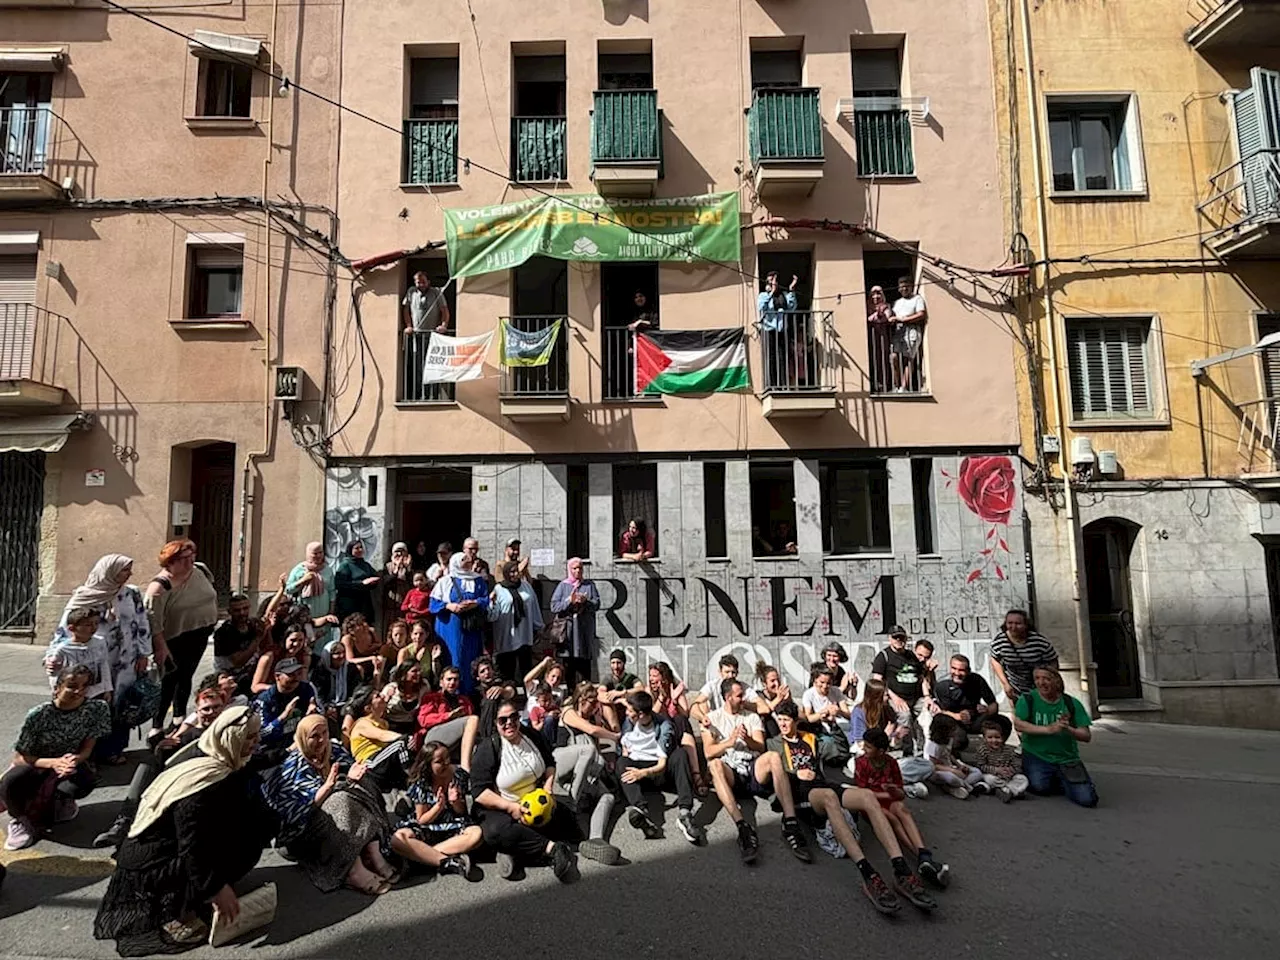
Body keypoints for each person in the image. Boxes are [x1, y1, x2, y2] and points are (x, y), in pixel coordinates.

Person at [93, 706, 275, 954]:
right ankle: (183, 911)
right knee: (241, 844)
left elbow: (255, 763)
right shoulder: (205, 784)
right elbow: (193, 845)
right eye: (249, 737)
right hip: (150, 866)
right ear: (232, 739)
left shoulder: (213, 758)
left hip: (162, 852)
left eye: (257, 736)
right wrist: (216, 888)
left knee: (253, 827)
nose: (255, 742)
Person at [767, 701, 935, 914]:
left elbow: (839, 751)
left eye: (786, 720)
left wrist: (834, 726)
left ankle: (900, 868)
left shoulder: (809, 739)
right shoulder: (773, 743)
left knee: (866, 796)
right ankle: (868, 873)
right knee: (830, 798)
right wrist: (794, 773)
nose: (781, 724)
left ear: (795, 721)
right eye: (779, 720)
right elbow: (776, 776)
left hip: (822, 783)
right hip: (802, 793)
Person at [263, 715, 396, 895]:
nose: (321, 740)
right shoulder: (291, 767)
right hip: (298, 835)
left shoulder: (333, 750)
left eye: (324, 733)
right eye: (314, 736)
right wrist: (329, 787)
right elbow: (297, 812)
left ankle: (374, 853)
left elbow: (350, 769)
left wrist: (352, 775)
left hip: (337, 818)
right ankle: (353, 869)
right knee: (339, 800)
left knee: (363, 785)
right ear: (303, 738)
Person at [93, 676, 227, 850]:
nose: (212, 712)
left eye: (216, 707)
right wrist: (161, 750)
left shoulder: (228, 732)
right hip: (177, 779)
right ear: (198, 710)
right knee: (148, 765)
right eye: (206, 709)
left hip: (208, 782)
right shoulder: (187, 736)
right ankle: (124, 822)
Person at [52, 554, 152, 759]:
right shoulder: (84, 597)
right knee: (90, 705)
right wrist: (54, 657)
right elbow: (64, 631)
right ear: (109, 571)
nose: (129, 574)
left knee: (121, 704)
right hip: (93, 662)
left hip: (126, 662)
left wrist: (143, 653)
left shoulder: (131, 594)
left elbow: (142, 624)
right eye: (125, 570)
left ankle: (113, 750)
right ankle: (85, 753)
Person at [2, 665, 111, 851]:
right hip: (36, 762)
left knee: (86, 779)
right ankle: (21, 819)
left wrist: (74, 759)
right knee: (10, 782)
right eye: (72, 685)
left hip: (68, 761)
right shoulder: (39, 715)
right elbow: (21, 757)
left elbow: (88, 748)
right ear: (57, 688)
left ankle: (61, 801)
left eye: (85, 686)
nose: (79, 691)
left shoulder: (96, 709)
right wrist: (54, 763)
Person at [702, 678, 811, 865]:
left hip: (751, 769)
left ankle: (791, 822)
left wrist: (747, 740)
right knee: (714, 765)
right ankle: (742, 827)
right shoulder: (712, 718)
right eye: (739, 695)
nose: (743, 698)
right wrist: (730, 741)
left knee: (773, 757)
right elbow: (708, 751)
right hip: (731, 773)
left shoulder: (751, 717)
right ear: (728, 698)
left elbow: (760, 747)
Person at [470, 702, 580, 882]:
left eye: (514, 717)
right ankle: (553, 850)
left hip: (535, 802)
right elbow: (479, 792)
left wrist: (547, 788)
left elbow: (550, 763)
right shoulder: (488, 748)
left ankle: (518, 855)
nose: (509, 723)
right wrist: (510, 807)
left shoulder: (532, 735)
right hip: (501, 807)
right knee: (496, 832)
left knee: (570, 824)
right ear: (495, 723)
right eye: (503, 720)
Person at [854, 728, 950, 888]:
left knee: (902, 810)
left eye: (869, 747)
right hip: (870, 804)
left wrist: (894, 791)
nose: (864, 749)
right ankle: (920, 856)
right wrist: (889, 795)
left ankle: (924, 855)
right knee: (892, 819)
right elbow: (864, 794)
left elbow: (900, 794)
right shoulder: (861, 763)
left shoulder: (891, 763)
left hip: (889, 799)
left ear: (881, 751)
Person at [144, 540, 218, 744]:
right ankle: (156, 727)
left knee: (186, 677)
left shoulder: (200, 570)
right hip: (173, 639)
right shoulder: (160, 586)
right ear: (170, 562)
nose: (190, 561)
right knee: (168, 682)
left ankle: (179, 718)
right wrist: (160, 647)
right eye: (184, 559)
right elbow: (153, 620)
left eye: (192, 555)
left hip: (200, 633)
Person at [617, 691, 705, 845]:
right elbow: (625, 747)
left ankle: (685, 814)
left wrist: (642, 773)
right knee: (622, 762)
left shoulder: (664, 726)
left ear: (641, 714)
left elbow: (662, 764)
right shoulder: (629, 721)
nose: (627, 713)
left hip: (658, 770)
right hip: (638, 769)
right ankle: (640, 811)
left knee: (680, 754)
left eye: (630, 711)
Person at [391, 741, 483, 879]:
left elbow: (462, 812)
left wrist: (455, 802)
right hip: (428, 826)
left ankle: (423, 858)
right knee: (398, 839)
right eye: (439, 761)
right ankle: (446, 861)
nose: (446, 763)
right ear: (428, 765)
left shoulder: (458, 775)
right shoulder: (421, 783)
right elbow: (421, 819)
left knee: (476, 834)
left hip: (452, 825)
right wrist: (438, 807)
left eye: (447, 758)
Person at [1014, 666, 1097, 807]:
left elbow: (1086, 736)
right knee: (1039, 787)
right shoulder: (1028, 699)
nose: (1041, 683)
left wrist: (1068, 729)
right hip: (1037, 755)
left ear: (1057, 681)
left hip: (1066, 758)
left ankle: (1067, 781)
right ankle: (1058, 780)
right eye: (1037, 679)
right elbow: (1019, 725)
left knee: (1088, 800)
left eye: (1046, 678)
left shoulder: (1071, 703)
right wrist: (1048, 729)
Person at [430, 553, 489, 693]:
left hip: (471, 627)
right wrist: (450, 606)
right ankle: (452, 692)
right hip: (451, 627)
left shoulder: (478, 580)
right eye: (464, 560)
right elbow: (433, 603)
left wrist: (474, 603)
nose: (468, 562)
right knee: (453, 657)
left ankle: (470, 693)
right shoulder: (445, 581)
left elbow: (486, 599)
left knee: (471, 658)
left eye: (469, 560)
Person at [870, 625, 931, 753]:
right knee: (905, 715)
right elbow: (877, 682)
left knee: (934, 712)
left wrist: (927, 697)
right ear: (890, 639)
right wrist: (894, 697)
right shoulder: (883, 656)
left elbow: (921, 678)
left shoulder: (911, 656)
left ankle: (931, 749)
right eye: (895, 637)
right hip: (895, 697)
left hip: (915, 698)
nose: (899, 640)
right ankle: (907, 750)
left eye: (901, 637)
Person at [929, 653, 1001, 753]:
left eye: (961, 670)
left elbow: (994, 704)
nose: (957, 673)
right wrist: (958, 716)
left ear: (968, 671)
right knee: (959, 739)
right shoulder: (942, 685)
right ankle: (952, 756)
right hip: (953, 720)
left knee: (1003, 722)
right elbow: (941, 711)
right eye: (954, 668)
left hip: (975, 719)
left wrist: (987, 710)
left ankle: (995, 753)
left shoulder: (977, 680)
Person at [416, 666, 482, 771]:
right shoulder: (432, 698)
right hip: (434, 736)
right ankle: (465, 766)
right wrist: (448, 716)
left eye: (455, 679)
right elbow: (424, 720)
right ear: (441, 682)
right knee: (472, 719)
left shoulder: (464, 701)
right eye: (449, 679)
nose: (452, 682)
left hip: (456, 742)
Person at [44, 607, 113, 703]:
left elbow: (104, 665)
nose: (93, 627)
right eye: (88, 625)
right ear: (72, 628)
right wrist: (57, 690)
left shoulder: (100, 642)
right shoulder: (63, 649)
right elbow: (55, 673)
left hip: (96, 691)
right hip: (74, 693)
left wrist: (107, 689)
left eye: (96, 623)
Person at [490, 559, 543, 683]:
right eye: (511, 572)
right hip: (507, 634)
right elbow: (493, 616)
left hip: (524, 633)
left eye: (516, 571)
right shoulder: (499, 589)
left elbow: (534, 606)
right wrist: (491, 603)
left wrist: (538, 626)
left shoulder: (526, 586)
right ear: (506, 573)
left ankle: (527, 697)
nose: (515, 574)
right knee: (507, 671)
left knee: (526, 670)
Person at [991, 609, 1059, 705]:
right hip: (1016, 689)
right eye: (1010, 623)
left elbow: (1053, 660)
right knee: (1020, 717)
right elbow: (995, 660)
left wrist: (1049, 680)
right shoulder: (1000, 642)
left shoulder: (1039, 642)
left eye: (1018, 623)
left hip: (1040, 687)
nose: (1013, 627)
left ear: (1026, 625)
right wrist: (1005, 683)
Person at [549, 559, 600, 687]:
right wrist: (568, 601)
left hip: (583, 633)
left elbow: (597, 604)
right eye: (574, 568)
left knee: (585, 668)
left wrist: (585, 601)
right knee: (569, 667)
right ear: (569, 570)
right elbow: (554, 607)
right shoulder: (563, 586)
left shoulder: (589, 585)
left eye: (580, 568)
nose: (578, 571)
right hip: (569, 634)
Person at [254, 657, 317, 748]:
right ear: (277, 676)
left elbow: (319, 715)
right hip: (274, 749)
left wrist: (313, 712)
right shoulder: (264, 700)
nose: (296, 678)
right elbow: (261, 734)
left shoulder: (306, 689)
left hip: (300, 742)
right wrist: (283, 717)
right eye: (291, 674)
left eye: (298, 673)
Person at [286, 542, 337, 647]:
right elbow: (288, 590)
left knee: (323, 639)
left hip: (324, 610)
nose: (318, 556)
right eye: (315, 553)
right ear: (308, 554)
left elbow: (332, 591)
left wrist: (331, 611)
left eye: (320, 553)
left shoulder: (327, 570)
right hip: (306, 611)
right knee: (307, 638)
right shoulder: (299, 570)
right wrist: (303, 581)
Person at [210, 593, 262, 697]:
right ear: (230, 612)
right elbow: (238, 661)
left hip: (250, 676)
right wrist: (258, 638)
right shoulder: (224, 632)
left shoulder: (252, 626)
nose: (242, 613)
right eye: (237, 610)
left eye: (245, 608)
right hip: (230, 680)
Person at [924, 715, 986, 799]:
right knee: (951, 778)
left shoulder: (949, 739)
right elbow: (933, 765)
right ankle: (966, 786)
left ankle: (955, 787)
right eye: (952, 729)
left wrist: (960, 765)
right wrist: (953, 771)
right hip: (937, 771)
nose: (955, 731)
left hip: (949, 766)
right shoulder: (933, 745)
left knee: (977, 772)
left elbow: (948, 754)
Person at [972, 718, 1029, 802]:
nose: (994, 740)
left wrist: (1010, 771)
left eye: (997, 737)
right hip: (993, 775)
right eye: (990, 737)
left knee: (1022, 779)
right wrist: (996, 770)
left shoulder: (1009, 750)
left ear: (1003, 737)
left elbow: (1016, 765)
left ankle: (1006, 790)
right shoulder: (982, 750)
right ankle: (1008, 790)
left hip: (1007, 777)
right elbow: (980, 766)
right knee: (989, 779)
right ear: (984, 738)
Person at [691, 653, 758, 724]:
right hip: (718, 723)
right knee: (702, 704)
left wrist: (744, 704)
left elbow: (763, 708)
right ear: (720, 672)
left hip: (739, 721)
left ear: (737, 673)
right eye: (727, 672)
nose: (730, 675)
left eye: (733, 672)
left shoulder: (743, 687)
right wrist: (703, 718)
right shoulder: (712, 685)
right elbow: (694, 707)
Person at [890, 274, 927, 392]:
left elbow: (921, 314)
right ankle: (896, 385)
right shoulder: (897, 302)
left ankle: (904, 387)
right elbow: (893, 316)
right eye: (902, 287)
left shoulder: (917, 299)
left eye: (907, 286)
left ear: (911, 287)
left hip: (912, 331)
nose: (904, 289)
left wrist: (904, 319)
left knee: (908, 358)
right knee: (894, 357)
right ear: (898, 289)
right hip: (899, 331)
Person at [251, 625, 311, 694]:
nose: (296, 644)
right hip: (268, 694)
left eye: (300, 640)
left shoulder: (304, 657)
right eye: (293, 640)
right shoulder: (269, 657)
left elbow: (303, 680)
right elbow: (255, 687)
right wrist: (277, 688)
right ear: (285, 639)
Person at [334, 540, 381, 625]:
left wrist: (373, 582)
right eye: (356, 548)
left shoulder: (365, 565)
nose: (360, 550)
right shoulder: (345, 565)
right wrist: (361, 583)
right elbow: (340, 584)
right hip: (349, 604)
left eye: (361, 547)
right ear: (350, 550)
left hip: (364, 603)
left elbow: (375, 576)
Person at [315, 642, 361, 720]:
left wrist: (348, 706)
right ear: (328, 656)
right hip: (327, 707)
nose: (342, 656)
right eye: (337, 653)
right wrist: (327, 707)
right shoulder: (320, 671)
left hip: (346, 705)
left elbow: (356, 689)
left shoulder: (351, 669)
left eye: (343, 652)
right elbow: (318, 694)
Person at [597, 648, 643, 724]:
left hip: (628, 712)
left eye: (618, 663)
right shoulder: (608, 679)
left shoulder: (631, 678)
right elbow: (600, 694)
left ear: (624, 663)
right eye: (613, 663)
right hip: (613, 712)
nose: (616, 666)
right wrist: (619, 701)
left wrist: (622, 693)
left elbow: (640, 689)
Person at [382, 662, 426, 734]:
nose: (418, 673)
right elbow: (379, 712)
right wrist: (387, 698)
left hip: (412, 726)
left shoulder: (424, 687)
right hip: (391, 726)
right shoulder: (390, 688)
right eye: (414, 671)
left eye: (419, 670)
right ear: (404, 673)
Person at [867, 285, 895, 392]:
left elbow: (888, 315)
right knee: (871, 358)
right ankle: (873, 384)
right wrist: (875, 315)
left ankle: (884, 384)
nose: (876, 296)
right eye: (873, 294)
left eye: (878, 293)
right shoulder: (866, 306)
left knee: (882, 359)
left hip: (882, 336)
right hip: (871, 336)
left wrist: (885, 317)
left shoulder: (885, 306)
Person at [339, 612, 383, 681]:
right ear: (351, 630)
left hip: (372, 663)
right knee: (359, 668)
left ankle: (377, 685)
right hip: (355, 666)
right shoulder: (348, 639)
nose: (365, 625)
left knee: (381, 659)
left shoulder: (371, 632)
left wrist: (374, 648)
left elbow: (380, 644)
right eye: (360, 624)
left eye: (364, 622)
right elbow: (350, 660)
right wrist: (370, 658)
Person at [382, 542, 414, 633]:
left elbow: (413, 583)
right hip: (391, 606)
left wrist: (407, 569)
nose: (399, 554)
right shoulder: (388, 567)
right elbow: (386, 583)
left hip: (405, 606)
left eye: (402, 552)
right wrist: (396, 570)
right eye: (397, 552)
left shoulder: (410, 567)